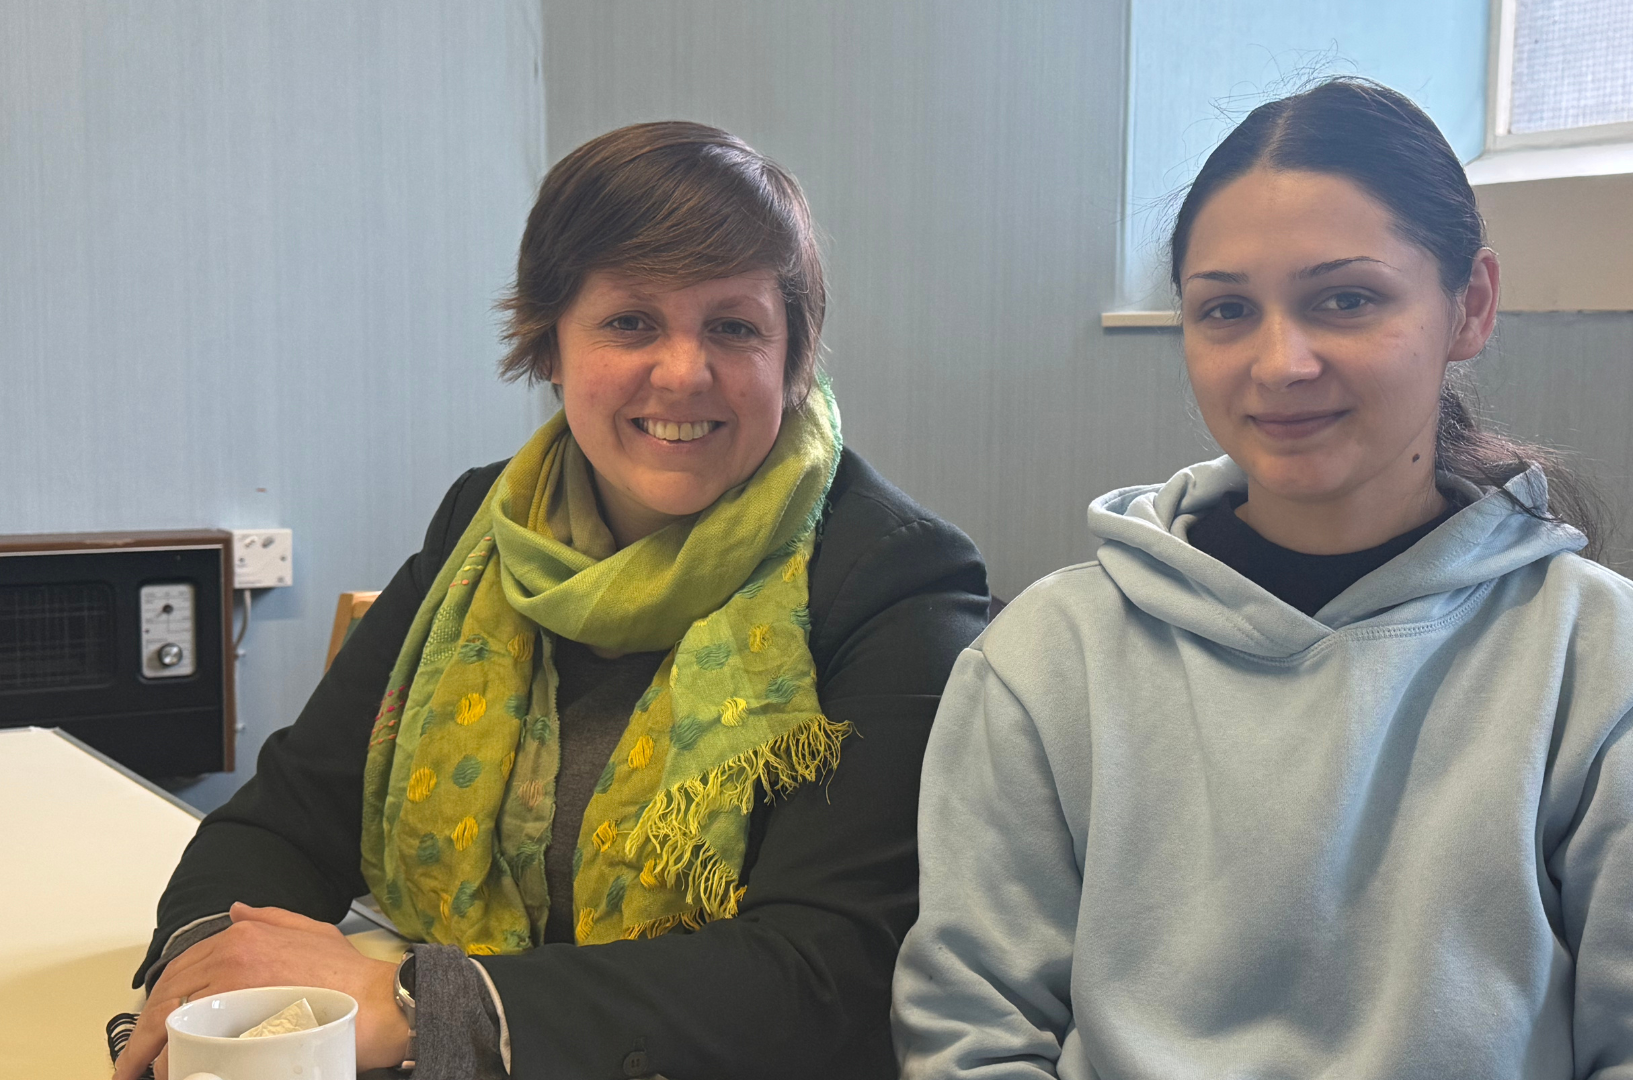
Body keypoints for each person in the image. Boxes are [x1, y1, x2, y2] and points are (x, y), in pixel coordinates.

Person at [892, 79, 1633, 1079]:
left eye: (1345, 299)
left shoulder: (1618, 672)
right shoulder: (1044, 663)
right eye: (1226, 309)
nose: (1282, 362)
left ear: (1470, 305)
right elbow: (972, 1032)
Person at [115, 122, 989, 1080]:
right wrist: (207, 979)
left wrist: (419, 1004)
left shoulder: (897, 582)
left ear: (791, 357)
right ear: (550, 343)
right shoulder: (485, 527)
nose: (683, 372)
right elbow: (284, 822)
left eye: (734, 327)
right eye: (630, 322)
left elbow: (828, 973)